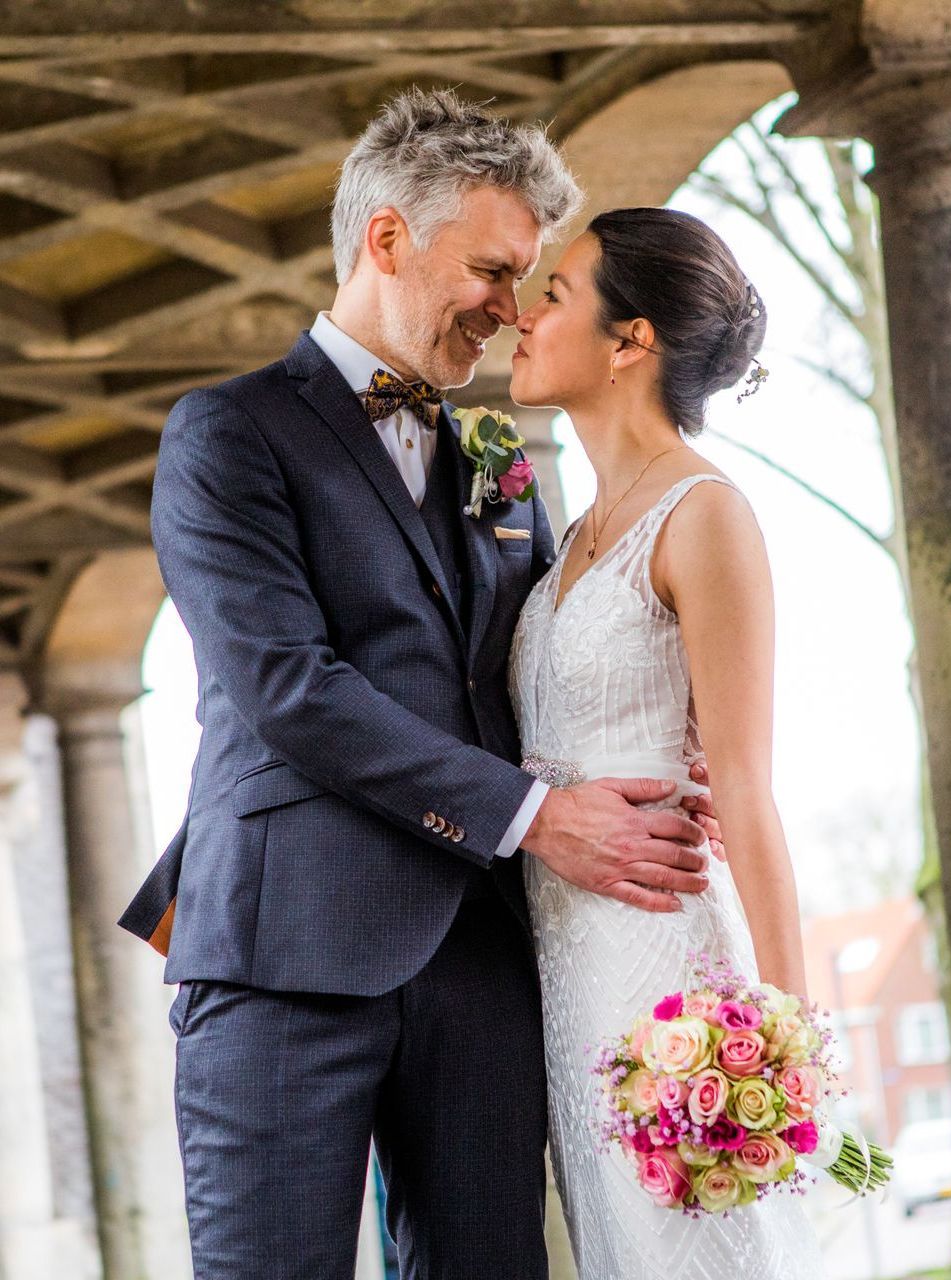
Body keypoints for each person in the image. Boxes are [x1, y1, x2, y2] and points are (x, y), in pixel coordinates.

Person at [118, 91, 723, 1279]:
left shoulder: (500, 458)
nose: (509, 313)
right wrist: (540, 816)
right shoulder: (223, 435)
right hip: (281, 947)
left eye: (528, 283)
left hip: (485, 958)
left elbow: (548, 657)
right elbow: (291, 687)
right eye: (494, 272)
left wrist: (668, 735)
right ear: (388, 240)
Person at [509, 207, 826, 1278]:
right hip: (568, 967)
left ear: (628, 340)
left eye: (553, 296)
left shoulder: (705, 513)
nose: (522, 315)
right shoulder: (566, 542)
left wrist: (786, 1041)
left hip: (671, 973)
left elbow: (745, 783)